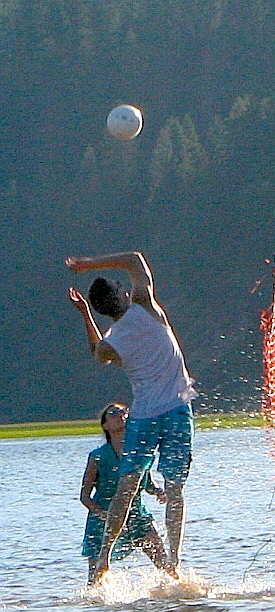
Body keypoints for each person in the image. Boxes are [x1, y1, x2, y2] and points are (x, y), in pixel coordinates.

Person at [67, 250, 196, 582]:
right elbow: (135, 259)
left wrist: (85, 314)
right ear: (124, 294)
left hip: (143, 417)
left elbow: (97, 354)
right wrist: (87, 265)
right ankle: (175, 560)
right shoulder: (146, 308)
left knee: (127, 484)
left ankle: (105, 558)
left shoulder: (112, 342)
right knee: (175, 487)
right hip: (176, 411)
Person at [80, 401, 170, 584]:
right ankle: (94, 605)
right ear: (105, 425)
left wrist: (159, 492)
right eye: (113, 413)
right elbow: (84, 496)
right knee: (96, 575)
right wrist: (102, 514)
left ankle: (177, 593)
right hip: (103, 518)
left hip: (136, 514)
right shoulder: (98, 456)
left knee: (164, 562)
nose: (121, 416)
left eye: (124, 413)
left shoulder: (140, 453)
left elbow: (146, 483)